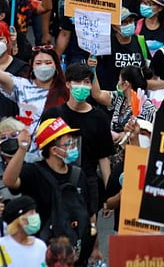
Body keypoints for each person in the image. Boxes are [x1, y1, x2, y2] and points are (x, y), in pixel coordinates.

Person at [0, 117, 98, 264]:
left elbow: (90, 215)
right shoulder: (33, 172)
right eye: (68, 143)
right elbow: (9, 181)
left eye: (73, 142)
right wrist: (22, 149)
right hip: (44, 254)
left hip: (74, 256)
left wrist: (94, 248)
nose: (73, 146)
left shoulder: (78, 174)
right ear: (54, 150)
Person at [41, 63, 115, 215]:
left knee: (89, 231)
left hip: (88, 180)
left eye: (86, 82)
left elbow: (104, 158)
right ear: (68, 84)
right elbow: (44, 152)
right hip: (56, 179)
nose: (82, 86)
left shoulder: (99, 118)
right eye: (77, 82)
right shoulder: (53, 115)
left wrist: (109, 196)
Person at [0, 195, 47, 266]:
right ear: (20, 220)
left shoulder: (40, 246)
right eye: (31, 213)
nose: (36, 216)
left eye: (35, 212)